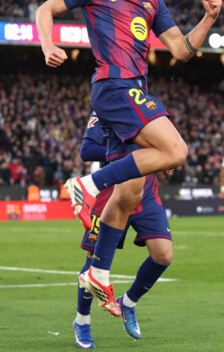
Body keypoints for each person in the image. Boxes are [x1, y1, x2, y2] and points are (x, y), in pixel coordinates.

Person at [37, 0, 222, 309]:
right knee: (176, 150)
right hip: (113, 86)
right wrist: (48, 45)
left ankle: (98, 274)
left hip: (135, 91)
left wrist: (208, 19)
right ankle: (87, 186)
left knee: (133, 188)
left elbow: (181, 50)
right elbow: (45, 9)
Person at [73, 112, 172, 348]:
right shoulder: (105, 109)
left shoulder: (147, 109)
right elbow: (87, 151)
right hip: (112, 192)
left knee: (163, 255)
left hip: (146, 192)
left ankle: (128, 302)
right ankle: (82, 321)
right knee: (92, 260)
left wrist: (168, 159)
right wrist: (127, 156)